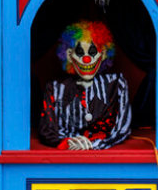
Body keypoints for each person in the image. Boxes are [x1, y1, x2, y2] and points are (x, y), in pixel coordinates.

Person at [39, 20, 131, 150]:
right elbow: (47, 129)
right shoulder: (54, 88)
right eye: (80, 53)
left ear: (103, 54)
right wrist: (68, 142)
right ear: (70, 56)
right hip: (68, 159)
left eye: (93, 52)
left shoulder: (116, 84)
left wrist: (94, 145)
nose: (86, 60)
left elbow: (122, 128)